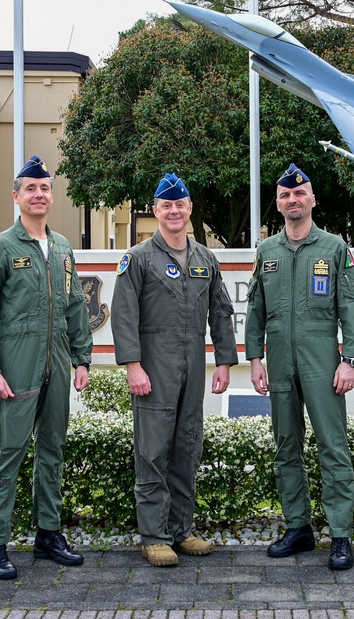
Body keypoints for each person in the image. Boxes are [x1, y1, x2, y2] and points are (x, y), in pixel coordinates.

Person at [0, 155, 93, 580]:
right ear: (17, 197)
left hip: (58, 362)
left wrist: (82, 358)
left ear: (51, 196)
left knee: (52, 450)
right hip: (16, 363)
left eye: (45, 188)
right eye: (31, 189)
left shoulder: (60, 247)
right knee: (7, 452)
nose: (39, 195)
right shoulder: (0, 247)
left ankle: (48, 534)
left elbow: (76, 303)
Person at [111, 172, 239, 567]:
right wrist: (133, 365)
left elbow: (221, 311)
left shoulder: (205, 259)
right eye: (166, 205)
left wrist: (223, 361)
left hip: (191, 368)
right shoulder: (138, 259)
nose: (174, 211)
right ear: (155, 210)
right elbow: (123, 314)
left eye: (180, 204)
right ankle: (153, 536)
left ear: (189, 209)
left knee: (186, 447)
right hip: (154, 365)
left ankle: (181, 531)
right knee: (152, 451)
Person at [244, 163, 354, 571]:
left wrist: (350, 360)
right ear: (278, 204)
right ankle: (298, 527)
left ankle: (341, 535)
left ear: (312, 200)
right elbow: (256, 308)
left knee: (332, 446)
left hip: (322, 360)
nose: (292, 200)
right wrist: (256, 359)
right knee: (286, 446)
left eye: (300, 194)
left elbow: (351, 306)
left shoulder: (333, 248)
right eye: (285, 195)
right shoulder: (267, 251)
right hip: (279, 359)